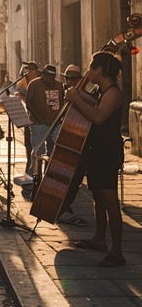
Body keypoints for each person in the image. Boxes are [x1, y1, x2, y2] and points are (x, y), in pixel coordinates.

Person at [67, 52, 125, 267]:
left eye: (92, 67)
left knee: (110, 200)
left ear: (100, 69)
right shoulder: (101, 90)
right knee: (98, 197)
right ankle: (100, 239)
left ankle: (117, 252)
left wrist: (76, 99)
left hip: (107, 152)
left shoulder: (112, 93)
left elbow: (98, 117)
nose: (88, 71)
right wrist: (78, 96)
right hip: (97, 149)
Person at [56, 64, 88, 226]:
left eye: (73, 78)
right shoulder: (66, 91)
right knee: (69, 178)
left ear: (80, 79)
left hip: (78, 140)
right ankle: (63, 208)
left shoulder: (83, 95)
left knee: (74, 179)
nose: (69, 81)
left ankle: (64, 207)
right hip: (67, 137)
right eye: (67, 78)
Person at [25, 64, 65, 177]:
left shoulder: (59, 85)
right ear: (43, 75)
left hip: (56, 123)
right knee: (38, 150)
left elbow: (61, 103)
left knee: (56, 148)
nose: (50, 80)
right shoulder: (34, 84)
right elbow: (29, 104)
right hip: (39, 124)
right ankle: (35, 176)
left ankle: (51, 174)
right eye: (48, 77)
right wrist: (41, 119)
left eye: (52, 78)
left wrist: (59, 119)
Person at [15, 61, 39, 177]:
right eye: (26, 70)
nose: (27, 72)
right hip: (28, 117)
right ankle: (29, 168)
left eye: (29, 70)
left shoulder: (38, 83)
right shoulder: (25, 82)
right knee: (28, 144)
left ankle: (33, 171)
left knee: (35, 146)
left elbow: (32, 103)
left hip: (37, 119)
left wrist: (21, 97)